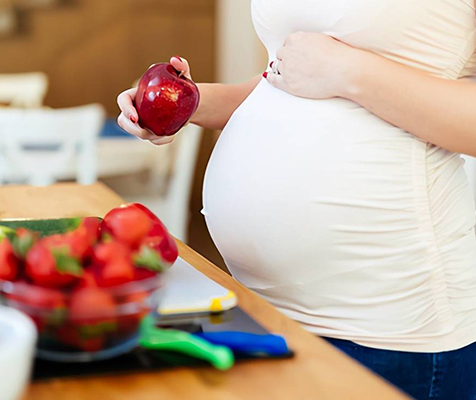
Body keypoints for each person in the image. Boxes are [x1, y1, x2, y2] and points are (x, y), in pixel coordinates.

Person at [117, 1, 476, 398]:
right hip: (261, 308)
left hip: (386, 327)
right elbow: (287, 78)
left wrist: (350, 71)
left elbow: (333, 70)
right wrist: (192, 101)